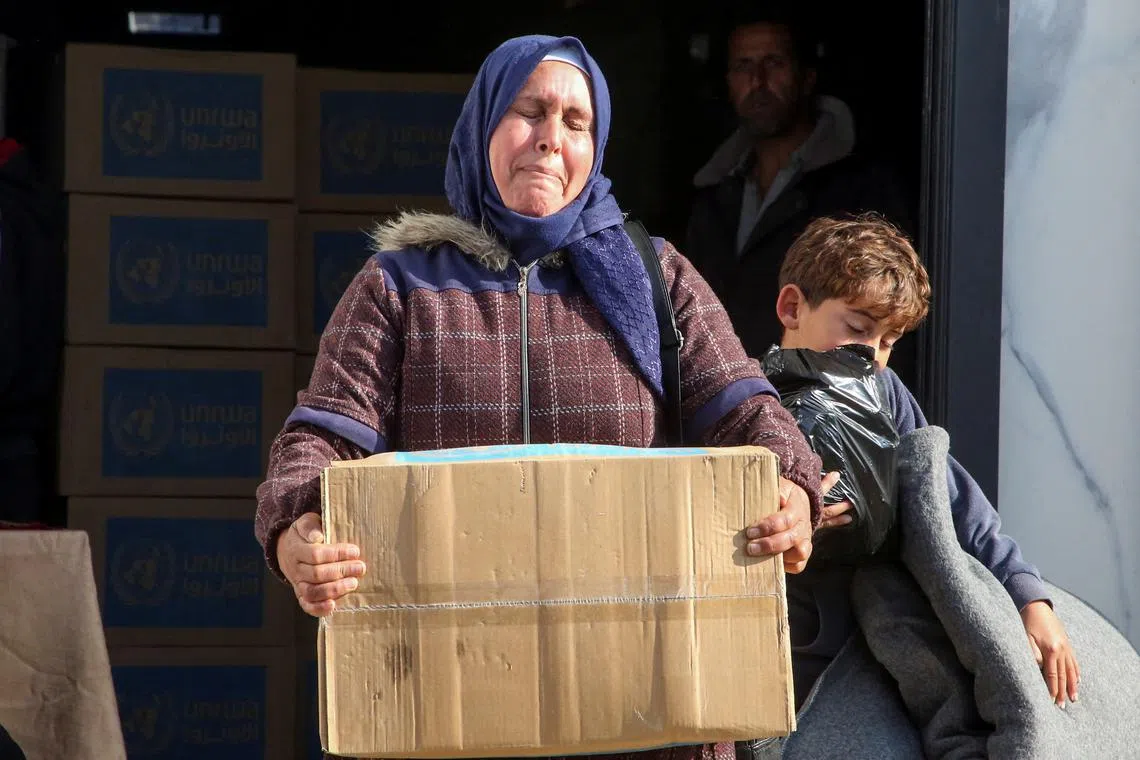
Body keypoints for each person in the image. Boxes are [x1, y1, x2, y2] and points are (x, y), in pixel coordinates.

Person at [256, 34, 833, 760]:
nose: (551, 140)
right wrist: (294, 532)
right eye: (529, 112)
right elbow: (319, 438)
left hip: (650, 715)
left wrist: (791, 488)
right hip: (453, 711)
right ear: (484, 124)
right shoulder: (402, 287)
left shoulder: (658, 277)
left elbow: (751, 409)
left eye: (575, 121)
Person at [770, 212, 1080, 709]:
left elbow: (951, 497)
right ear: (792, 307)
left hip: (882, 657)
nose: (871, 353)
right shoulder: (745, 397)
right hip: (781, 655)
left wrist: (1029, 597)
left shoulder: (886, 395)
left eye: (888, 342)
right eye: (857, 327)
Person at [685, 3, 912, 366]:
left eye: (774, 63)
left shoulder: (861, 188)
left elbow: (894, 315)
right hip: (721, 405)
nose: (758, 82)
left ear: (807, 77)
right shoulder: (713, 194)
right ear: (728, 82)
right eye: (744, 66)